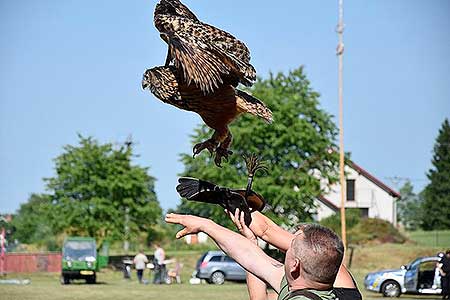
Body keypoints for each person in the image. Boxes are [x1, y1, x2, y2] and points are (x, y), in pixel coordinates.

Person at [166, 212, 346, 300]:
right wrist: (205, 225)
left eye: (290, 248)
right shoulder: (346, 290)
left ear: (294, 265)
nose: (286, 249)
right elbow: (250, 256)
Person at [226, 209, 361, 300]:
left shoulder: (327, 260)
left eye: (295, 239)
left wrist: (236, 204)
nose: (290, 243)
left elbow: (266, 231)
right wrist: (251, 243)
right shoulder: (297, 282)